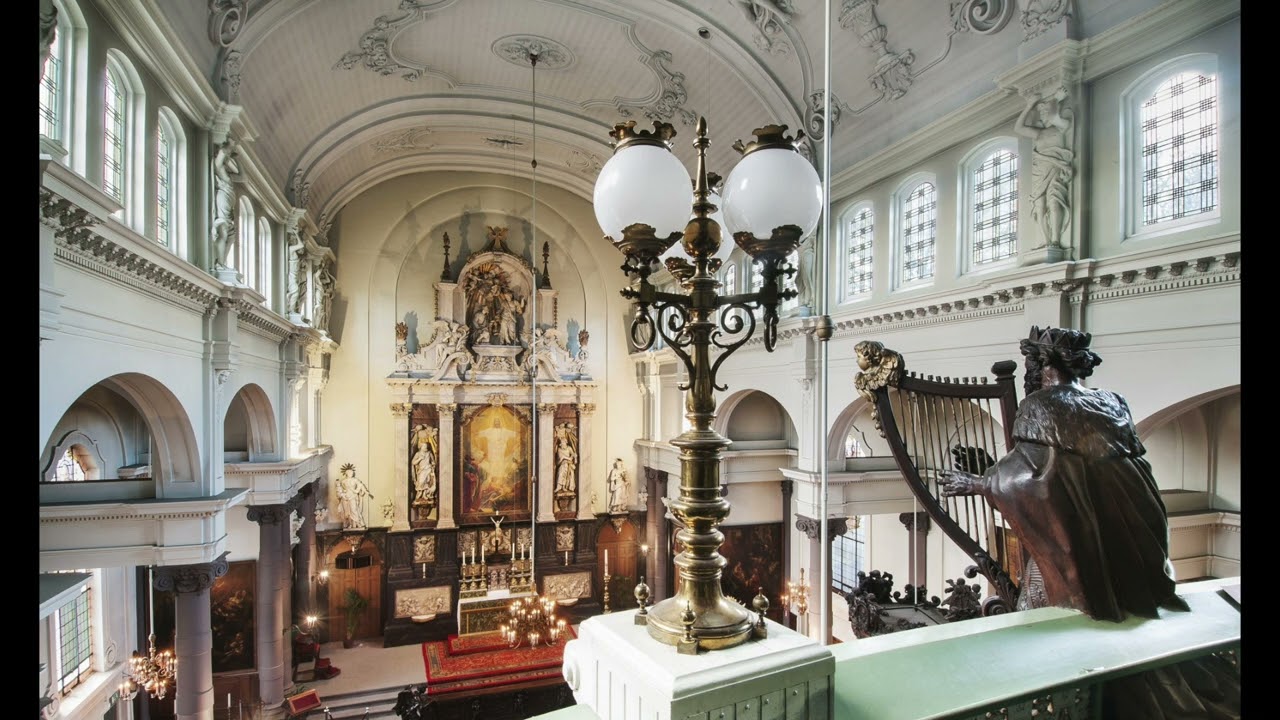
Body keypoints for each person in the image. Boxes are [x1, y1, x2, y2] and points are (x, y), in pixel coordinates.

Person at [939, 326, 1238, 717]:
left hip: (1084, 551)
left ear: (1041, 363)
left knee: (1043, 623)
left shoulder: (1040, 406)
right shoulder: (1113, 402)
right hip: (1133, 537)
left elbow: (1031, 480)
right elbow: (1115, 472)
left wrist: (978, 483)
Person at [1015, 88, 1074, 250]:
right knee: (1039, 205)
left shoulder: (1061, 126)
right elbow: (1018, 128)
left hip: (1055, 169)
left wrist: (1056, 99)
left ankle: (1055, 240)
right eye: (1041, 114)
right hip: (1039, 172)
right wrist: (1029, 105)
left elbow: (1055, 117)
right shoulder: (1038, 134)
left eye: (1045, 112)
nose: (1043, 116)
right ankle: (1045, 241)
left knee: (1054, 201)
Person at [335, 463, 373, 530]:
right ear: (346, 473)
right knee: (347, 511)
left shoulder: (355, 480)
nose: (351, 474)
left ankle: (357, 523)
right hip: (346, 497)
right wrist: (339, 487)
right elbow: (339, 489)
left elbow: (361, 485)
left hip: (353, 496)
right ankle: (350, 524)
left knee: (354, 510)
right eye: (349, 472)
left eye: (352, 472)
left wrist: (367, 492)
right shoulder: (343, 481)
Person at [554, 424, 578, 494]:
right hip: (562, 464)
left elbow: (574, 454)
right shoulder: (559, 449)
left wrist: (574, 458)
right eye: (561, 443)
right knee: (560, 474)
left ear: (566, 443)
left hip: (569, 465)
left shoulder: (569, 448)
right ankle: (558, 487)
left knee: (568, 476)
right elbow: (560, 457)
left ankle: (564, 487)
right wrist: (568, 458)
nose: (562, 444)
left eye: (563, 442)